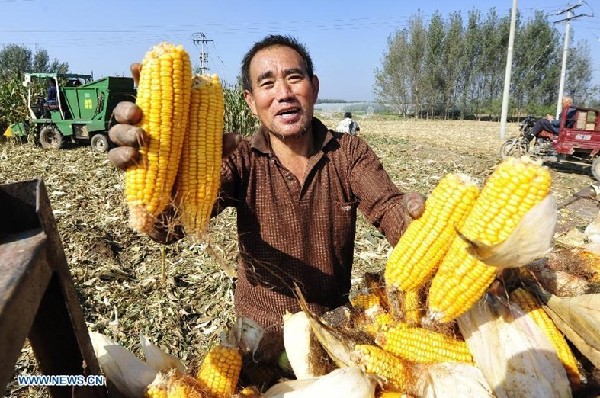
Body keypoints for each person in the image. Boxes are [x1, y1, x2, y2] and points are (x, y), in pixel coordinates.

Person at [107, 34, 425, 378]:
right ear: (250, 100)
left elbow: (389, 207)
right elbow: (172, 226)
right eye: (267, 83)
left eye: (294, 77)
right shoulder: (239, 158)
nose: (283, 93)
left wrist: (421, 222)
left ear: (314, 88)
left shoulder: (348, 154)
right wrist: (154, 160)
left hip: (331, 336)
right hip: (257, 343)